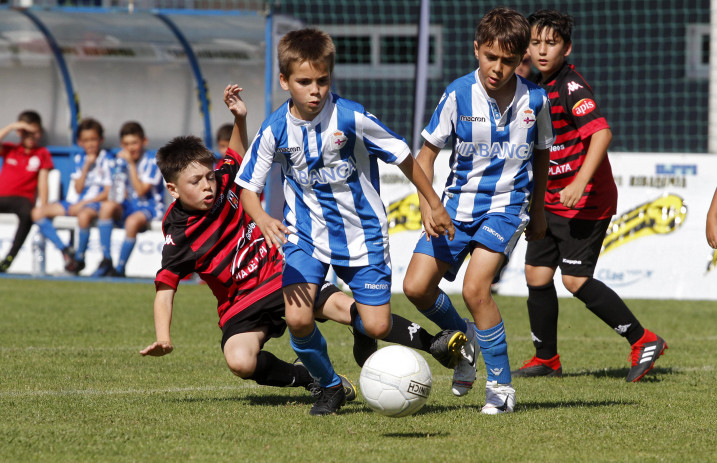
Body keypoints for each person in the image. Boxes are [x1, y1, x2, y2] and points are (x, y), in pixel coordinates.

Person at [142, 85, 464, 409]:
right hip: (240, 304)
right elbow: (165, 288)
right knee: (239, 360)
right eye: (195, 182)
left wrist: (240, 119)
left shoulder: (225, 182)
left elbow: (235, 156)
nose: (207, 185)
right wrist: (164, 336)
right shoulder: (179, 233)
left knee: (354, 313)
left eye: (207, 177)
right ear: (172, 189)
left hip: (282, 273)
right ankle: (310, 378)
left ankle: (433, 342)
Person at [235, 28, 457, 416]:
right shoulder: (274, 129)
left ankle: (363, 330)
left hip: (363, 235)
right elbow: (247, 189)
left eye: (322, 80)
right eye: (304, 82)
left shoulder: (351, 116)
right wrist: (263, 218)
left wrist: (432, 202)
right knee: (298, 318)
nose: (315, 90)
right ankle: (331, 386)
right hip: (304, 237)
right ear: (285, 81)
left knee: (374, 325)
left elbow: (404, 156)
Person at [402, 7, 554, 415]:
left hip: (506, 209)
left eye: (507, 60)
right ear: (477, 51)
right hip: (455, 208)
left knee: (475, 289)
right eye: (490, 57)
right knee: (416, 287)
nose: (497, 68)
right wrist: (427, 206)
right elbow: (425, 155)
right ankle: (462, 335)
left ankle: (501, 388)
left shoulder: (536, 101)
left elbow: (541, 156)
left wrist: (537, 210)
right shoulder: (457, 94)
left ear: (520, 57)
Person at [514, 9, 667, 383]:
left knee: (575, 281)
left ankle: (643, 339)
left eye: (551, 43)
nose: (542, 50)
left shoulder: (570, 86)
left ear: (567, 48)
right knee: (536, 275)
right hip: (549, 202)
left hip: (585, 202)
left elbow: (601, 134)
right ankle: (546, 359)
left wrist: (580, 182)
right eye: (535, 43)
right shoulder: (537, 85)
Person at [0, 110, 54, 273]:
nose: (31, 137)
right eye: (26, 132)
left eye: (34, 132)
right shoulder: (11, 149)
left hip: (22, 199)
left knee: (27, 214)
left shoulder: (42, 154)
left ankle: (9, 258)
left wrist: (44, 206)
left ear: (39, 132)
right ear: (20, 132)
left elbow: (43, 182)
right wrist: (12, 126)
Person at [31, 117, 111, 274]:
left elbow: (107, 192)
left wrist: (83, 204)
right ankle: (66, 250)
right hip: (76, 202)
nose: (90, 144)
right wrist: (87, 165)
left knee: (83, 216)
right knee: (37, 212)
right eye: (86, 140)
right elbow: (78, 188)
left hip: (94, 204)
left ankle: (80, 258)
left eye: (93, 139)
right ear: (80, 142)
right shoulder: (79, 159)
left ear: (100, 140)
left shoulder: (107, 160)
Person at [92, 121, 165, 277]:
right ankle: (106, 259)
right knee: (106, 207)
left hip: (150, 207)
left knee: (132, 222)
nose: (130, 148)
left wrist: (130, 165)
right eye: (126, 144)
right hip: (129, 206)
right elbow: (117, 193)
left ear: (143, 142)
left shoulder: (153, 160)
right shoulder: (119, 161)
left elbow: (140, 191)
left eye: (134, 143)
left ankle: (119, 269)